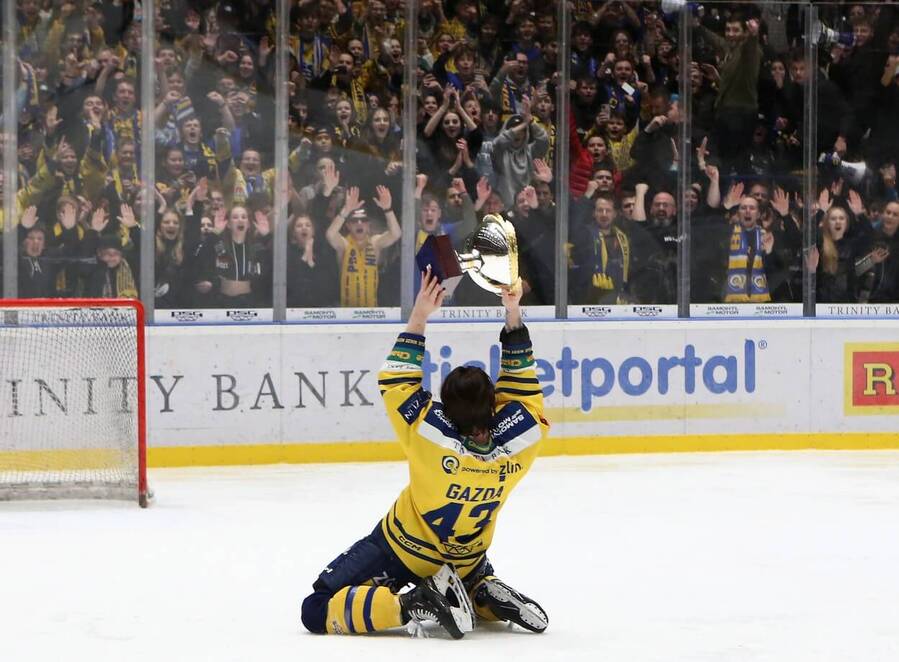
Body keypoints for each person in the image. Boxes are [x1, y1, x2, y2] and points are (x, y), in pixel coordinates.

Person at [301, 272, 550, 639]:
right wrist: (512, 310)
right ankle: (479, 590)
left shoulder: (431, 433)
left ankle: (411, 601)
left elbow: (396, 381)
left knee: (316, 607)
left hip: (405, 550)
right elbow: (522, 382)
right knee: (471, 572)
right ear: (495, 406)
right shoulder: (525, 435)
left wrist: (420, 315)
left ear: (446, 409)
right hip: (468, 557)